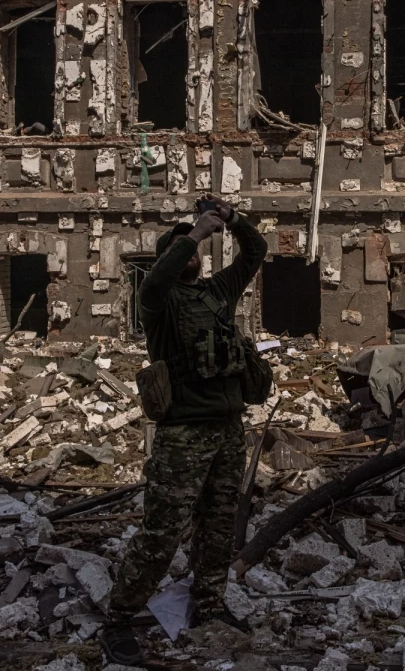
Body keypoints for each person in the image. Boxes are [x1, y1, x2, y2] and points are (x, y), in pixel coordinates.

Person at [100, 194, 267, 664]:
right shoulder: (159, 303)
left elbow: (255, 252)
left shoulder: (218, 291)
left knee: (218, 525)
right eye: (179, 248)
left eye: (192, 247)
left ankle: (210, 605)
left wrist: (232, 219)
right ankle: (119, 618)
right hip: (183, 434)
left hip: (228, 428)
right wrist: (193, 233)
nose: (190, 252)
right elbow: (156, 279)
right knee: (163, 532)